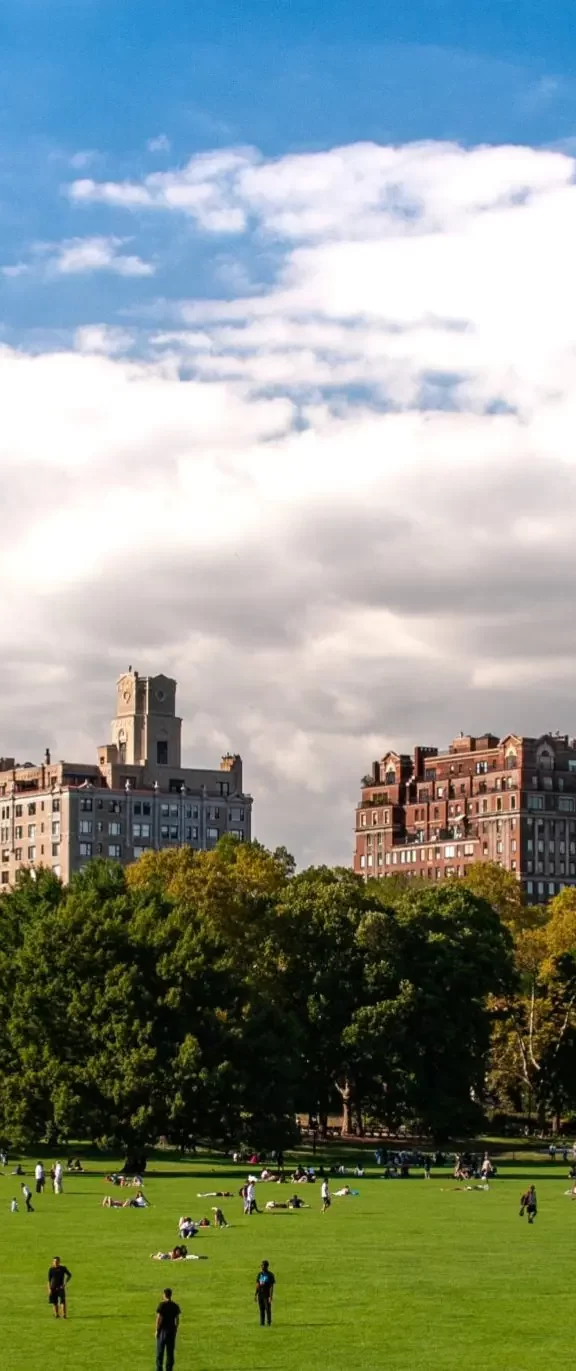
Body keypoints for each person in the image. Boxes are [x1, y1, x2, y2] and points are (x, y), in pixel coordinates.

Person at [155, 1287, 181, 1371]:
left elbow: (159, 1318)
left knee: (160, 1352)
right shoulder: (175, 1306)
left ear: (164, 1295)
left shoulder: (162, 1305)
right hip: (171, 1331)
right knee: (170, 1353)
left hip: (162, 1331)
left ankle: (159, 1369)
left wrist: (157, 1330)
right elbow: (177, 1319)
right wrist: (176, 1329)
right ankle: (169, 1369)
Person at [255, 1260, 275, 1326]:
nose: (261, 1267)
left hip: (267, 1294)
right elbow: (257, 1284)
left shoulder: (270, 1275)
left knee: (267, 1309)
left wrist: (270, 1296)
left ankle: (269, 1322)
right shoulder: (260, 1274)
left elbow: (272, 1286)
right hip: (260, 1294)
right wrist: (256, 1294)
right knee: (261, 1309)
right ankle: (262, 1323)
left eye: (263, 1265)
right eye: (261, 1265)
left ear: (266, 1266)